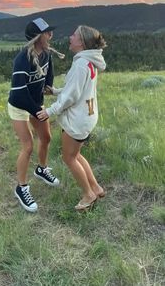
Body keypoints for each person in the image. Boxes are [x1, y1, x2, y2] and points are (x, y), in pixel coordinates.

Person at [37, 25, 106, 211]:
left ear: (82, 42)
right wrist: (56, 91)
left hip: (78, 120)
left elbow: (71, 97)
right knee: (76, 154)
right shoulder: (88, 62)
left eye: (74, 35)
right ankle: (96, 188)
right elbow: (75, 90)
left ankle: (88, 195)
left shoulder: (81, 65)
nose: (70, 37)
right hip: (88, 116)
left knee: (69, 158)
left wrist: (49, 111)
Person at [8, 17, 64, 213]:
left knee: (47, 138)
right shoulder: (22, 59)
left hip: (35, 104)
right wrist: (38, 112)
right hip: (19, 106)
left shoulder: (46, 54)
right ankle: (21, 187)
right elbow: (19, 94)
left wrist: (53, 90)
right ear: (37, 37)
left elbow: (48, 79)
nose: (51, 34)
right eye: (47, 32)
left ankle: (41, 169)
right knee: (28, 146)